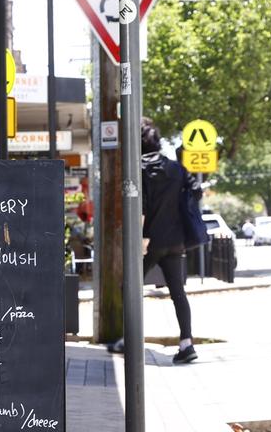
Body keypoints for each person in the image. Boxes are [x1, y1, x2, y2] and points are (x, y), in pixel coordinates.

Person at [107, 118, 203, 364]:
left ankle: (130, 340)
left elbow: (142, 208)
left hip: (151, 241)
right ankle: (186, 343)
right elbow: (196, 192)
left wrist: (140, 241)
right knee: (178, 293)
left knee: (129, 287)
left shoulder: (139, 170)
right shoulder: (175, 168)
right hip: (175, 241)